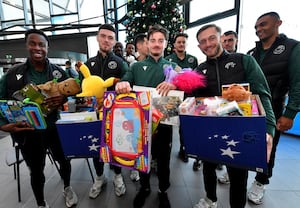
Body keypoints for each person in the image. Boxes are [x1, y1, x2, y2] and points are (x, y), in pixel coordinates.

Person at [192, 24, 276, 208]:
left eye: (212, 38)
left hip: (239, 130)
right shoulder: (200, 70)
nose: (208, 44)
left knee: (238, 176)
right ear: (199, 47)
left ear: (220, 38)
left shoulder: (243, 60)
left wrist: (268, 129)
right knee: (208, 168)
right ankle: (210, 199)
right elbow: (195, 102)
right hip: (210, 130)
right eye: (203, 42)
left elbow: (262, 94)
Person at [0, 29, 78, 208]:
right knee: (36, 171)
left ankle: (67, 187)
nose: (37, 48)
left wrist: (64, 98)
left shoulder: (58, 72)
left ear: (47, 47)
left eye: (41, 45)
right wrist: (4, 126)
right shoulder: (13, 74)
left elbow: (74, 91)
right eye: (33, 43)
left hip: (55, 129)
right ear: (27, 46)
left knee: (65, 162)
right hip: (29, 133)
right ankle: (41, 203)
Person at [115, 24, 178, 208]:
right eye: (153, 40)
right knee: (142, 157)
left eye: (161, 40)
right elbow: (126, 79)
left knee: (164, 160)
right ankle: (144, 188)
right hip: (140, 124)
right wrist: (123, 85)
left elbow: (189, 84)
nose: (157, 44)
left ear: (166, 43)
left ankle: (163, 191)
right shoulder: (137, 66)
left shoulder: (174, 67)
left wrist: (176, 83)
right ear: (147, 43)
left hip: (165, 124)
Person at [247, 11, 300, 205]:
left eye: (263, 24)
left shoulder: (292, 47)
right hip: (248, 109)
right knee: (244, 143)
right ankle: (237, 170)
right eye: (256, 27)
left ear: (278, 23)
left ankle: (260, 182)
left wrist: (290, 113)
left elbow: (298, 82)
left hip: (274, 108)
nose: (259, 29)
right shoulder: (252, 53)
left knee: (268, 147)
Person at [84, 24, 136, 200]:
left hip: (116, 115)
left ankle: (117, 176)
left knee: (116, 145)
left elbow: (129, 80)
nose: (106, 40)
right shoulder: (89, 63)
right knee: (95, 146)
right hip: (93, 114)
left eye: (110, 38)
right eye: (103, 36)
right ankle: (99, 178)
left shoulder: (121, 63)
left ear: (114, 41)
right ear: (98, 38)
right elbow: (80, 86)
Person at [165, 33, 201, 171]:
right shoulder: (168, 60)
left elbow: (196, 78)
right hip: (173, 97)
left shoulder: (193, 59)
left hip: (188, 96)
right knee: (171, 123)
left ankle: (183, 148)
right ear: (174, 45)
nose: (181, 44)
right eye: (178, 42)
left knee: (185, 125)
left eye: (183, 42)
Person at [217, 30, 239, 184]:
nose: (227, 44)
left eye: (230, 40)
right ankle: (210, 198)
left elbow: (259, 92)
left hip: (236, 114)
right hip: (214, 114)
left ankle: (231, 172)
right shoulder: (206, 65)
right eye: (223, 41)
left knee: (236, 150)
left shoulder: (243, 60)